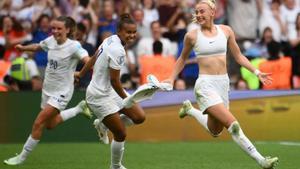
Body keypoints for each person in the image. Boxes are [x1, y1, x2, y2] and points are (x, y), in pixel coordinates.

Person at [165, 1, 278, 169]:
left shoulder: (226, 31)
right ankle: (262, 160)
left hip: (223, 84)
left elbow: (239, 57)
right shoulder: (192, 36)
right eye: (196, 12)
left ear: (213, 12)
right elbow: (181, 59)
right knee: (233, 125)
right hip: (205, 85)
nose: (199, 14)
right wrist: (171, 78)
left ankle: (190, 110)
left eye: (202, 11)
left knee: (215, 131)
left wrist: (256, 72)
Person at [4, 16, 92, 165]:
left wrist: (81, 73)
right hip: (48, 89)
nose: (55, 31)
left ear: (68, 30)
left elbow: (88, 61)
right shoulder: (51, 41)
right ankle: (79, 109)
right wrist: (23, 48)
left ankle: (21, 158)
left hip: (63, 91)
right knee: (50, 125)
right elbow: (38, 46)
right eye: (54, 28)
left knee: (38, 123)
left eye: (59, 29)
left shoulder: (74, 46)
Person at [75, 13, 145, 169]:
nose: (132, 35)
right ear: (119, 31)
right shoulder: (118, 50)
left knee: (139, 117)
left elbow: (93, 58)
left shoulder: (110, 39)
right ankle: (115, 166)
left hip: (110, 91)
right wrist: (128, 98)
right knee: (120, 134)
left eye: (134, 32)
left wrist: (81, 73)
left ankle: (103, 125)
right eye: (128, 32)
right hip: (99, 96)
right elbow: (115, 81)